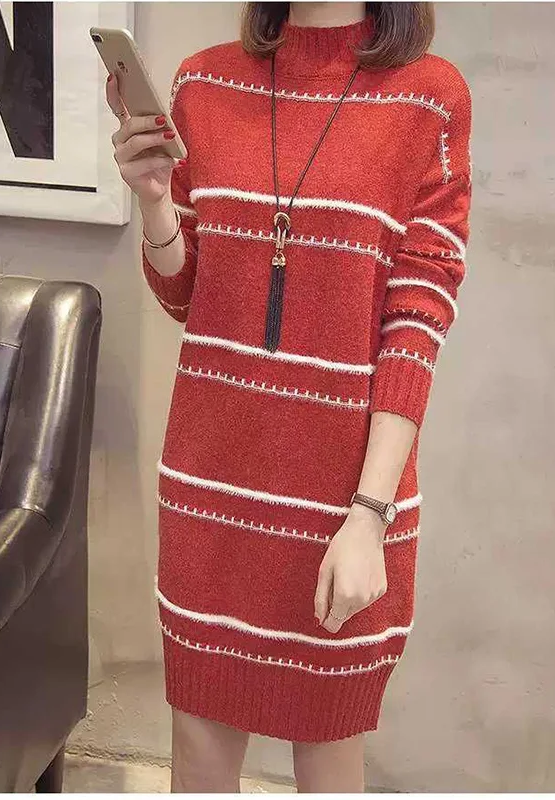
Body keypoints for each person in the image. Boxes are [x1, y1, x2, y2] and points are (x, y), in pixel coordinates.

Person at [106, 1, 471, 792]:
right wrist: (155, 199)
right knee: (199, 759)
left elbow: (416, 324)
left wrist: (370, 516)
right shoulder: (203, 83)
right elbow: (185, 293)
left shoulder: (429, 98)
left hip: (346, 504)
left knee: (329, 761)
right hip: (212, 494)